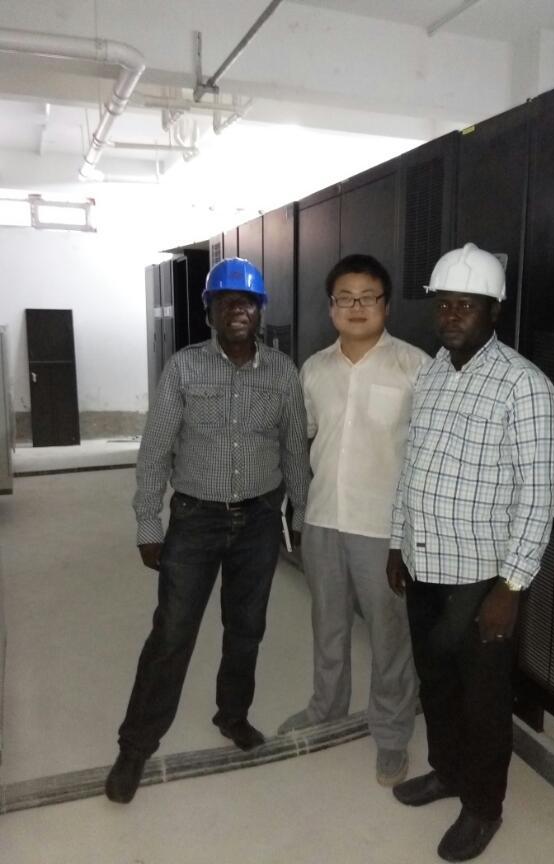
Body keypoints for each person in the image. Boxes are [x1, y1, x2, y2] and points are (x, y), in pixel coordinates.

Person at [105, 257, 310, 804]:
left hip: (259, 520)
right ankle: (135, 747)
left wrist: (300, 517)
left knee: (246, 629)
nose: (238, 309)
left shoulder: (282, 372)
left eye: (248, 302)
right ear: (210, 311)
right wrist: (148, 522)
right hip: (195, 520)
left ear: (260, 311)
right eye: (226, 301)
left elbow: (294, 449)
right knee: (172, 634)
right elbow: (155, 450)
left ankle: (232, 715)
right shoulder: (184, 368)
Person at [387, 243, 554, 861]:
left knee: (483, 699)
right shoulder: (432, 373)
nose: (452, 314)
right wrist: (397, 541)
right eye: (444, 304)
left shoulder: (525, 386)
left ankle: (484, 807)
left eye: (468, 304)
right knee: (435, 682)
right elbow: (412, 468)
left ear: (494, 310)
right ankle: (448, 771)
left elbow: (540, 495)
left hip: (481, 579)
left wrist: (511, 587)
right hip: (424, 564)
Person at [278, 254, 426, 786]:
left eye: (368, 297)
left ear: (386, 304)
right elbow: (302, 439)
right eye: (345, 297)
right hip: (323, 519)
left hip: (383, 527)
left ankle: (391, 732)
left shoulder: (415, 367)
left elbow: (426, 452)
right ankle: (326, 708)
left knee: (390, 635)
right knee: (328, 624)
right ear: (331, 306)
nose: (356, 306)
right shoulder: (314, 369)